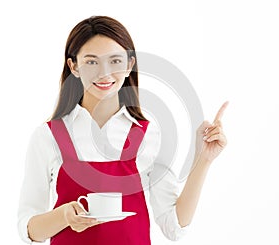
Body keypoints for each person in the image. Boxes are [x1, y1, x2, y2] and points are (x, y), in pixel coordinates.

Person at [17, 15, 228, 244]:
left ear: (129, 65)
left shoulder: (149, 135)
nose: (104, 73)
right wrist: (62, 216)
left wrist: (203, 160)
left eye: (115, 61)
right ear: (74, 66)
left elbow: (173, 226)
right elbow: (30, 230)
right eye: (91, 61)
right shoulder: (48, 136)